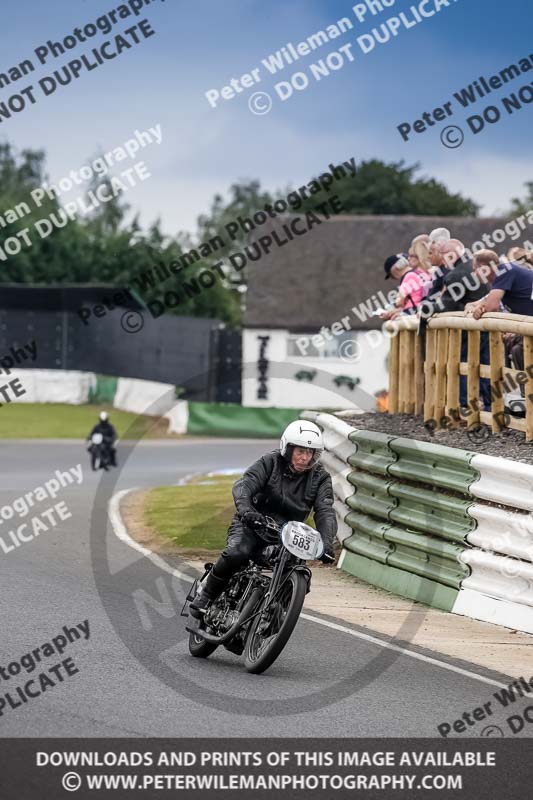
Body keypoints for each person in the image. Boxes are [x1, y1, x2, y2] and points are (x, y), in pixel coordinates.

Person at [190, 420, 337, 618]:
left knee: (300, 573)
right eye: (300, 451)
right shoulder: (270, 462)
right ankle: (207, 593)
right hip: (253, 523)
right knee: (237, 552)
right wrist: (248, 512)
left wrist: (326, 544)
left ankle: (276, 614)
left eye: (309, 453)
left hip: (288, 534)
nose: (304, 457)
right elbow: (244, 485)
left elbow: (325, 510)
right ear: (289, 449)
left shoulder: (321, 477)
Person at [465, 250, 533, 318]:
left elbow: (491, 307)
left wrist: (480, 309)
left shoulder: (504, 271)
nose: (474, 274)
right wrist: (472, 307)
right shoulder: (505, 275)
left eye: (474, 270)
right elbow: (477, 303)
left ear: (483, 268)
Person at [380, 253, 427, 319]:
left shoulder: (408, 276)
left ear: (394, 269)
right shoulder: (419, 272)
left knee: (393, 319)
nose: (393, 278)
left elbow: (399, 302)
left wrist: (389, 311)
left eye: (390, 275)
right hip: (421, 309)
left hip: (413, 312)